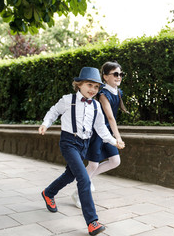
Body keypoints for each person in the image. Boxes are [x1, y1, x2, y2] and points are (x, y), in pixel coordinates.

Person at [38, 67, 125, 236]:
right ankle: (92, 222)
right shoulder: (67, 100)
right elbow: (53, 111)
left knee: (70, 175)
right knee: (84, 179)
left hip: (83, 144)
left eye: (96, 87)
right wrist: (45, 124)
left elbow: (101, 129)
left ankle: (48, 193)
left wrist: (114, 141)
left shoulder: (96, 106)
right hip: (69, 142)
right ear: (79, 84)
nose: (92, 90)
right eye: (89, 85)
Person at [71, 61, 128, 208]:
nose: (119, 76)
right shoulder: (103, 94)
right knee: (93, 164)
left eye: (121, 74)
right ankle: (78, 193)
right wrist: (118, 138)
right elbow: (110, 117)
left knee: (115, 161)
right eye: (115, 74)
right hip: (97, 132)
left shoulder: (118, 92)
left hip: (107, 132)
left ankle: (87, 179)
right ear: (105, 76)